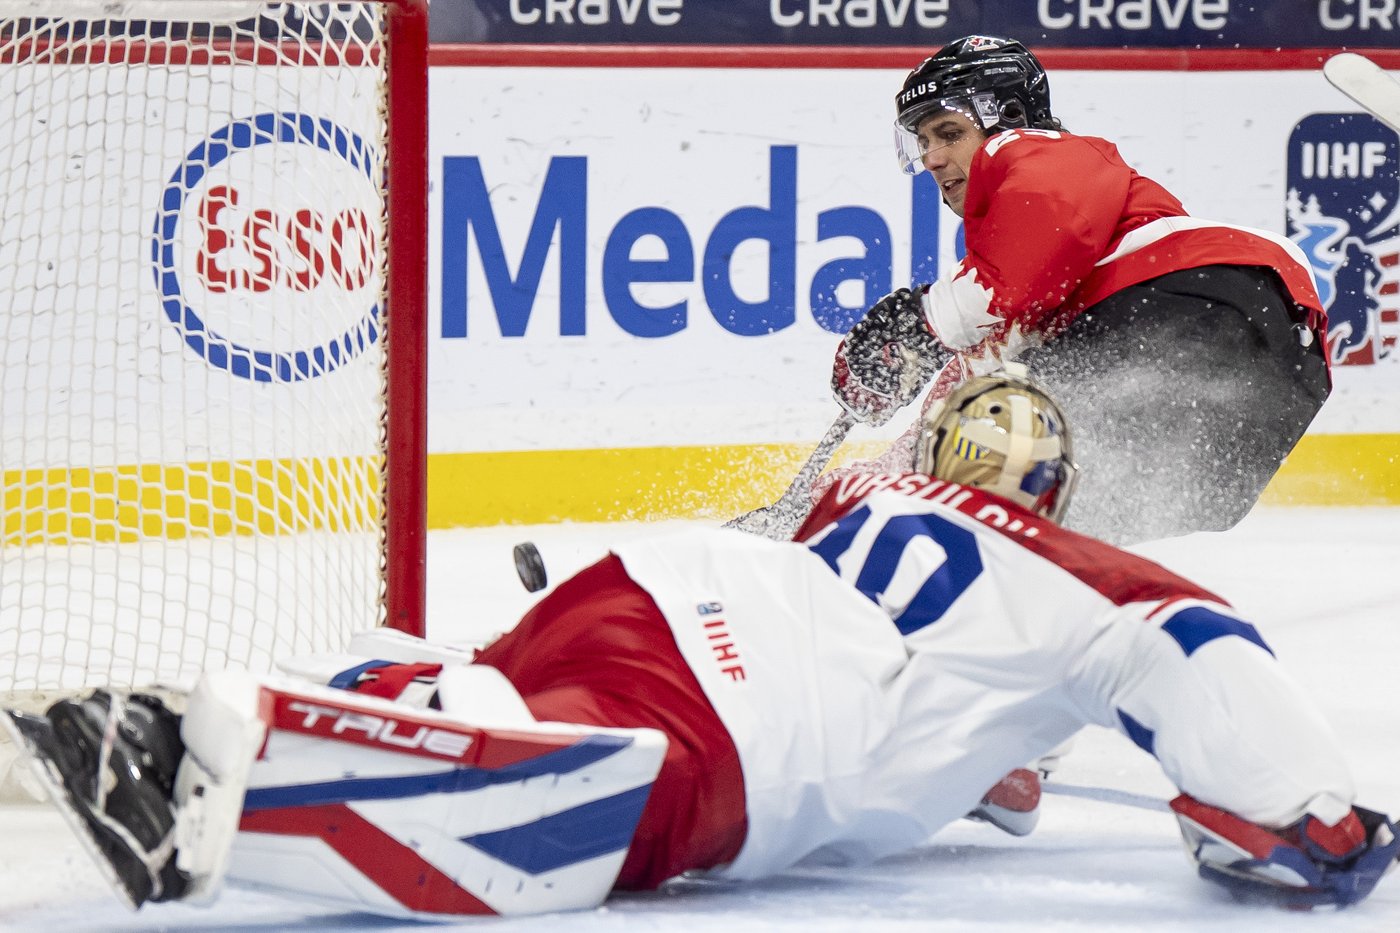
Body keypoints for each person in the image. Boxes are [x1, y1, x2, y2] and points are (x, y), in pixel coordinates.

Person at [5, 370, 1395, 919]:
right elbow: (1192, 640)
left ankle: (384, 678)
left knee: (504, 688)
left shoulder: (857, 497)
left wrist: (994, 770)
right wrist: (1300, 812)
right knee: (593, 811)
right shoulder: (1070, 575)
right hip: (747, 709)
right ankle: (256, 773)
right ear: (1050, 490)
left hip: (659, 587)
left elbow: (968, 736)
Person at [827, 35, 1331, 545]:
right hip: (1283, 361)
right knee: (1094, 515)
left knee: (1015, 472)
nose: (932, 158)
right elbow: (975, 381)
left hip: (1193, 307)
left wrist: (921, 321)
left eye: (949, 132)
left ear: (1009, 113)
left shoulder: (1036, 151)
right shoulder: (1043, 254)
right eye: (922, 141)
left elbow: (1015, 269)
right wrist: (863, 491)